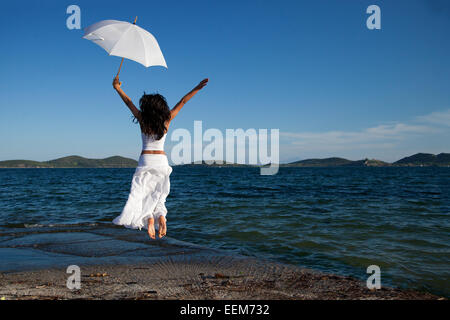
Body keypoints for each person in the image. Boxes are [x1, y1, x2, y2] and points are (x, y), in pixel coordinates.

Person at [111, 76, 208, 239]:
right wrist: (197, 88)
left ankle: (149, 220)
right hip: (162, 161)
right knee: (158, 194)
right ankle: (160, 217)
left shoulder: (142, 119)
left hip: (146, 160)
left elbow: (128, 102)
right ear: (161, 107)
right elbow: (183, 101)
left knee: (142, 194)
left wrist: (117, 88)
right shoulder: (167, 119)